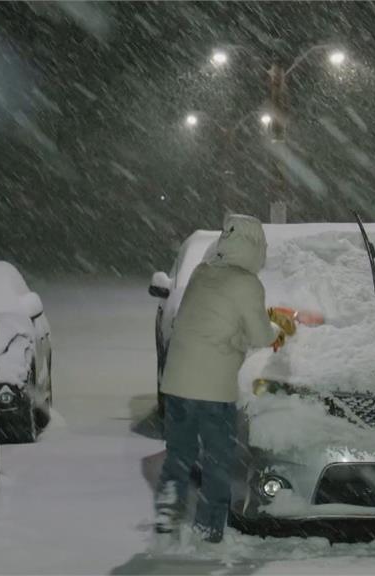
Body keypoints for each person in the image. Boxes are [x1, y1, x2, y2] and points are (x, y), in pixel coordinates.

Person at [154, 213, 280, 543]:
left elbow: (203, 324)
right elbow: (262, 336)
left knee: (179, 455)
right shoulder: (248, 284)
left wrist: (234, 338)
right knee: (217, 460)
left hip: (178, 384)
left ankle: (169, 504)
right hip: (213, 390)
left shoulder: (202, 271)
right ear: (255, 248)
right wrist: (279, 329)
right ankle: (208, 527)